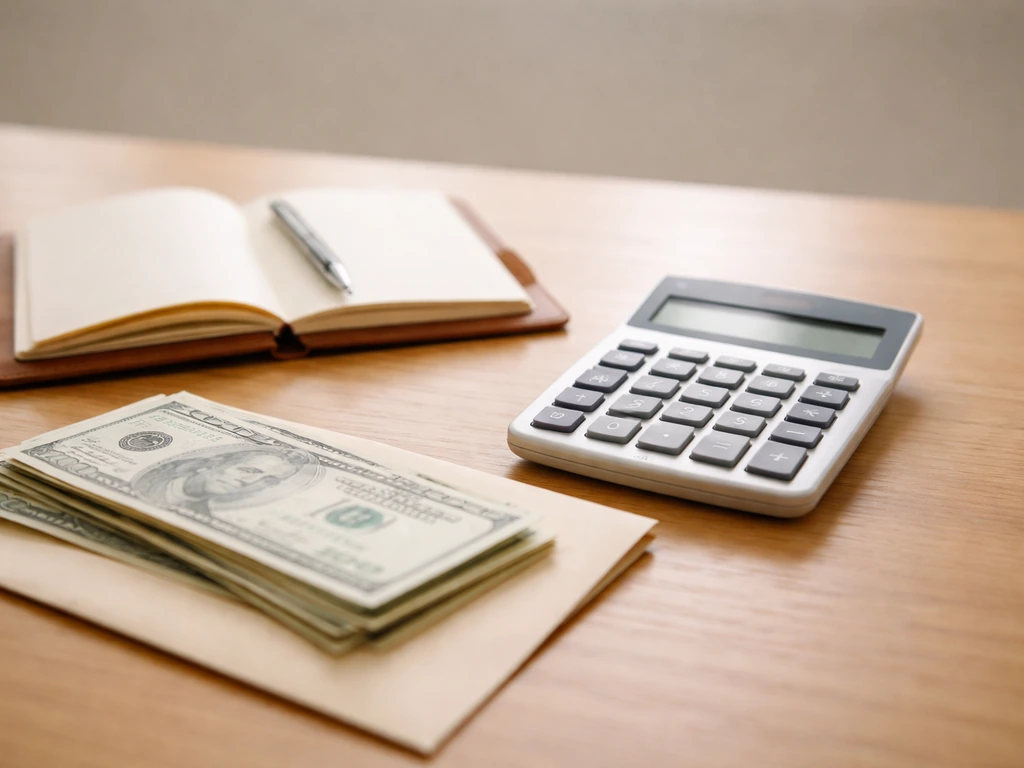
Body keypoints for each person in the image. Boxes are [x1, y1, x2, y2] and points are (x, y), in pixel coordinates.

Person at [131, 445, 318, 515]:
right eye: (248, 470)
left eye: (268, 480)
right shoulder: (147, 479)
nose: (249, 482)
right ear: (212, 464)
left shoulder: (201, 515)